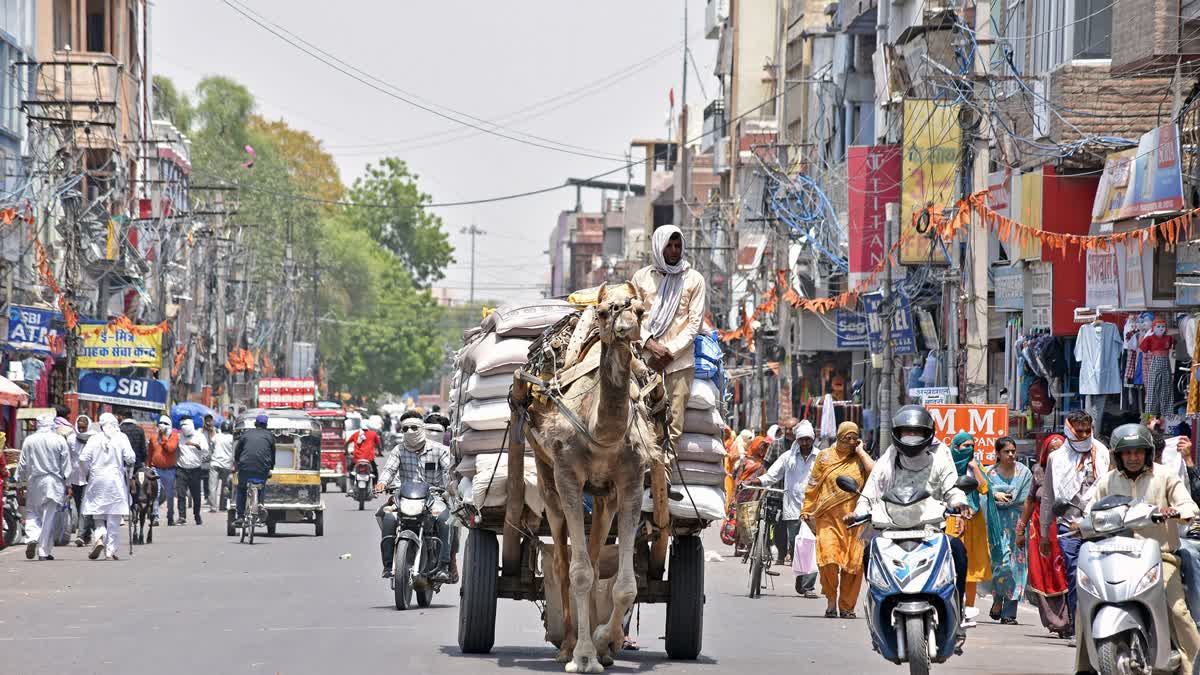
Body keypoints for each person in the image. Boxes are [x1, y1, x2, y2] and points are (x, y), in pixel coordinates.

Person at [1077, 423, 1200, 673]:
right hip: (1111, 556)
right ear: (1118, 456)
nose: (1133, 458)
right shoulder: (1107, 481)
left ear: (1147, 452)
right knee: (1084, 605)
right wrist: (1078, 522)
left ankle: (1192, 667)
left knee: (1177, 610)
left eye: (1138, 452)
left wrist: (1175, 512)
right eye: (1127, 453)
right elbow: (1089, 511)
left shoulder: (1165, 476)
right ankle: (1083, 667)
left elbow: (1189, 505)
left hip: (1159, 557)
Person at [851, 406, 970, 641]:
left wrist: (959, 501)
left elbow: (951, 484)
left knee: (958, 550)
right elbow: (872, 487)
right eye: (906, 432)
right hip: (891, 528)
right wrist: (858, 512)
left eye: (916, 432)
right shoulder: (890, 458)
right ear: (897, 433)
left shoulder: (940, 456)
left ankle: (959, 608)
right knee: (868, 554)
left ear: (928, 433)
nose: (911, 438)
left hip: (930, 527)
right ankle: (876, 610)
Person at [630, 225, 706, 445]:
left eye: (677, 245)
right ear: (658, 247)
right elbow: (632, 317)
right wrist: (650, 345)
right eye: (669, 246)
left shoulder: (694, 280)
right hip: (644, 361)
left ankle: (664, 474)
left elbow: (694, 326)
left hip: (679, 363)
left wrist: (667, 352)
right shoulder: (641, 278)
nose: (674, 251)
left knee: (673, 425)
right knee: (639, 417)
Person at [1039, 410, 1109, 641]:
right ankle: (1080, 629)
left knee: (1100, 576)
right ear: (1069, 429)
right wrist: (1044, 534)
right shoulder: (1056, 458)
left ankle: (1101, 626)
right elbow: (1048, 496)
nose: (1082, 435)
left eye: (1086, 431)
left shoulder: (1103, 453)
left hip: (1098, 525)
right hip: (1068, 526)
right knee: (1075, 576)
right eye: (1078, 431)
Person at [804, 421, 875, 618]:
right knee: (828, 559)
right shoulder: (824, 457)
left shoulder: (860, 459)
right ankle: (830, 600)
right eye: (847, 438)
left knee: (854, 566)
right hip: (828, 519)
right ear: (838, 437)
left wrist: (861, 452)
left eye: (854, 438)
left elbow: (876, 474)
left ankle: (847, 607)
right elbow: (813, 484)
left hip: (856, 520)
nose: (851, 442)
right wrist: (807, 509)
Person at [374, 411, 455, 581]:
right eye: (405, 428)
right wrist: (382, 483)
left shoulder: (440, 450)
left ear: (422, 428)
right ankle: (388, 566)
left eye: (414, 427)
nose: (410, 431)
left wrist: (451, 487)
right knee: (388, 517)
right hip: (404, 498)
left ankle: (443, 566)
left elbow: (449, 472)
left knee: (445, 520)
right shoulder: (398, 450)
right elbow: (389, 470)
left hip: (434, 498)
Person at [752, 419, 819, 597]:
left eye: (808, 439)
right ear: (797, 440)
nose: (805, 443)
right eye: (801, 439)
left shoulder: (821, 457)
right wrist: (758, 481)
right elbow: (772, 475)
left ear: (813, 439)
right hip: (792, 508)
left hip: (813, 509)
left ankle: (808, 585)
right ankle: (802, 579)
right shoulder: (787, 457)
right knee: (796, 546)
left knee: (810, 545)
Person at [1015, 433, 1072, 638]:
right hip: (1041, 532)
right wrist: (1020, 529)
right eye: (1052, 449)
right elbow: (1030, 501)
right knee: (1044, 574)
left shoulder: (1073, 470)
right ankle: (1057, 622)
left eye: (1060, 449)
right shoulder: (1038, 472)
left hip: (1067, 529)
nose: (1056, 453)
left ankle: (1072, 620)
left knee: (1067, 573)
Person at [984, 436, 1031, 625]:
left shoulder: (1024, 473)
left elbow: (1025, 499)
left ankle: (1009, 612)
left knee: (1016, 568)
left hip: (1017, 524)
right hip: (996, 525)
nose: (1011, 455)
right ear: (997, 453)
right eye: (1006, 451)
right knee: (1000, 565)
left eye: (1013, 451)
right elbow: (984, 494)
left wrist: (1005, 496)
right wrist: (995, 494)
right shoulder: (989, 473)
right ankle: (997, 599)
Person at [79, 413, 135, 561]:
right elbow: (131, 457)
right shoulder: (121, 437)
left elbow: (83, 458)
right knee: (114, 517)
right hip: (115, 480)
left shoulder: (94, 438)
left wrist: (87, 473)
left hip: (97, 478)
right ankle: (109, 551)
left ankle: (99, 537)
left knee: (98, 513)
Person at [948, 431, 991, 624]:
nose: (969, 449)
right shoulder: (947, 466)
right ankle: (951, 607)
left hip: (975, 520)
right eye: (965, 446)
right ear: (956, 447)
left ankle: (968, 608)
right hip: (953, 519)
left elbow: (984, 489)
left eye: (972, 445)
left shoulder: (975, 465)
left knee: (971, 566)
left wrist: (975, 468)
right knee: (951, 563)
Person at [15, 413, 70, 560]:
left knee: (32, 511)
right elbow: (66, 464)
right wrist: (68, 484)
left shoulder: (29, 440)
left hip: (34, 482)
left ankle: (32, 536)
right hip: (53, 482)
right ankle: (43, 552)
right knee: (48, 517)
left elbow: (22, 464)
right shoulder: (59, 440)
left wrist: (19, 483)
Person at [760, 418, 797, 563]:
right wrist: (765, 482)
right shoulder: (776, 445)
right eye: (786, 429)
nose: (788, 432)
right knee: (779, 526)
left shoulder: (802, 446)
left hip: (796, 494)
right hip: (778, 492)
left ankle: (794, 555)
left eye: (791, 429)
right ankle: (781, 554)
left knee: (796, 527)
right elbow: (766, 464)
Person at [233, 414, 276, 526]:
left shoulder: (246, 434)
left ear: (255, 424)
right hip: (262, 468)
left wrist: (237, 463)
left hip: (245, 467)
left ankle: (240, 516)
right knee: (261, 486)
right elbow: (272, 454)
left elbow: (237, 451)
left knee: (242, 489)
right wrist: (270, 468)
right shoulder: (270, 436)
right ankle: (260, 505)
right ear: (266, 425)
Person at [175, 418, 209, 525]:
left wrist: (195, 445)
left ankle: (197, 515)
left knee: (196, 495)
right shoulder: (179, 437)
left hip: (195, 470)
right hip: (181, 469)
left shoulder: (199, 436)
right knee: (181, 494)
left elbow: (206, 450)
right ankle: (182, 516)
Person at [68, 415, 95, 546]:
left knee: (85, 505)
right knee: (79, 507)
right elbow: (68, 458)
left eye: (84, 427)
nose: (82, 430)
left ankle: (80, 534)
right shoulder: (71, 439)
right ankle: (87, 534)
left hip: (89, 477)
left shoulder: (94, 439)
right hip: (75, 477)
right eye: (79, 427)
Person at [147, 415, 179, 525]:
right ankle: (155, 517)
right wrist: (149, 465)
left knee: (170, 495)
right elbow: (150, 452)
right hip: (156, 469)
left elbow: (171, 448)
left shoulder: (174, 436)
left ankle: (170, 517)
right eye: (161, 423)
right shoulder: (153, 437)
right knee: (156, 493)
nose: (162, 425)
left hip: (170, 470)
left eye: (165, 423)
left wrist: (164, 438)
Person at [208, 420, 235, 513]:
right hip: (227, 465)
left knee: (212, 487)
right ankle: (222, 506)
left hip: (215, 463)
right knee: (225, 486)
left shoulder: (217, 436)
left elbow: (211, 447)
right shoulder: (232, 438)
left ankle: (213, 507)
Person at [350, 415, 382, 479]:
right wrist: (379, 453)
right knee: (375, 472)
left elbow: (347, 443)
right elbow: (378, 445)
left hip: (357, 458)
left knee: (350, 470)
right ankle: (374, 486)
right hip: (369, 458)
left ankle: (352, 483)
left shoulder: (356, 434)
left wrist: (346, 451)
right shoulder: (373, 434)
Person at [200, 414, 217, 508]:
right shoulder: (201, 431)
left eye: (210, 420)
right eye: (206, 420)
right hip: (203, 456)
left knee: (210, 479)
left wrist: (211, 432)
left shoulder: (215, 431)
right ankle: (206, 497)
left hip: (212, 456)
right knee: (204, 477)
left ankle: (209, 498)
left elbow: (214, 442)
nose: (208, 422)